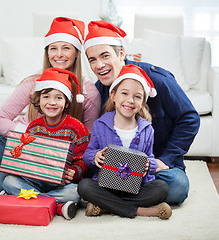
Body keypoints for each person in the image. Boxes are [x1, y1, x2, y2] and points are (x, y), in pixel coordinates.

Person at [0, 17, 101, 194]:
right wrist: (34, 136)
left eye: (66, 48)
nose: (59, 54)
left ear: (77, 53)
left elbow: (88, 141)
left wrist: (68, 163)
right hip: (18, 139)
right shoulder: (34, 82)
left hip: (48, 159)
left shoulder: (88, 93)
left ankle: (24, 192)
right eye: (53, 48)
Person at [83, 20, 200, 205]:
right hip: (116, 169)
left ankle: (110, 202)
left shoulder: (157, 79)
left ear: (121, 54)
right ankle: (138, 203)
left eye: (105, 56)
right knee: (83, 181)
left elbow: (190, 118)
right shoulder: (101, 90)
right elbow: (95, 138)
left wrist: (166, 159)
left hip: (156, 168)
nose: (99, 65)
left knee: (177, 187)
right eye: (93, 60)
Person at [78, 64, 171, 219]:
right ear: (113, 95)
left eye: (137, 96)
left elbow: (150, 156)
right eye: (125, 93)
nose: (130, 100)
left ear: (142, 102)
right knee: (84, 187)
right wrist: (95, 156)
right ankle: (139, 211)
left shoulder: (147, 129)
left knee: (161, 188)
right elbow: (88, 154)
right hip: (106, 185)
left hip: (136, 186)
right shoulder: (100, 124)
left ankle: (106, 206)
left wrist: (150, 164)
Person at [2, 68, 90, 220]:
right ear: (39, 100)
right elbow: (26, 155)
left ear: (67, 102)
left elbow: (84, 159)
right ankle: (56, 205)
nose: (51, 102)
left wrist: (75, 171)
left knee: (75, 192)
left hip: (61, 183)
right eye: (46, 96)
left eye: (58, 98)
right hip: (36, 179)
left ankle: (28, 199)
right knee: (9, 181)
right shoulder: (34, 127)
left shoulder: (76, 127)